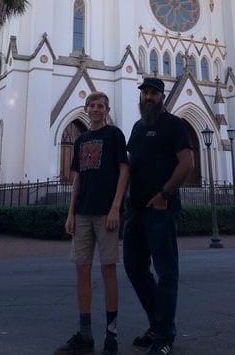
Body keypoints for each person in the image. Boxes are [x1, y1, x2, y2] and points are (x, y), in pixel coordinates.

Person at [123, 77, 194, 354]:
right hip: (136, 210)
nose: (148, 97)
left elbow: (187, 163)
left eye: (153, 93)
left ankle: (164, 335)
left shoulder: (174, 125)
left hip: (161, 210)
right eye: (145, 93)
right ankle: (157, 324)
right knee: (134, 267)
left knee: (166, 272)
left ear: (162, 97)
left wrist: (165, 195)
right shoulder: (138, 128)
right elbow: (129, 166)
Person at [54, 91, 129, 355]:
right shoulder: (81, 140)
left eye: (101, 106)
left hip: (105, 213)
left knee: (108, 270)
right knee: (81, 270)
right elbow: (78, 179)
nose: (96, 110)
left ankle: (112, 334)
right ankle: (85, 334)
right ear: (86, 109)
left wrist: (116, 208)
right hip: (83, 213)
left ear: (107, 110)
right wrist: (70, 213)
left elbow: (123, 170)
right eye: (92, 106)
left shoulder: (115, 135)